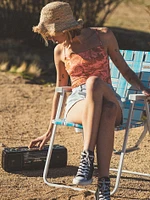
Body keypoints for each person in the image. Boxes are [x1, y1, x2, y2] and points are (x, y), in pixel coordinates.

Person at [28, 1, 150, 200]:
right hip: (78, 102)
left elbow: (125, 70)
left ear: (64, 28)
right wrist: (50, 129)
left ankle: (86, 157)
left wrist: (144, 88)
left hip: (107, 92)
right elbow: (60, 90)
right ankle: (103, 184)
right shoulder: (60, 51)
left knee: (95, 83)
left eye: (50, 33)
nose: (49, 38)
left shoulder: (103, 36)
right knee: (107, 111)